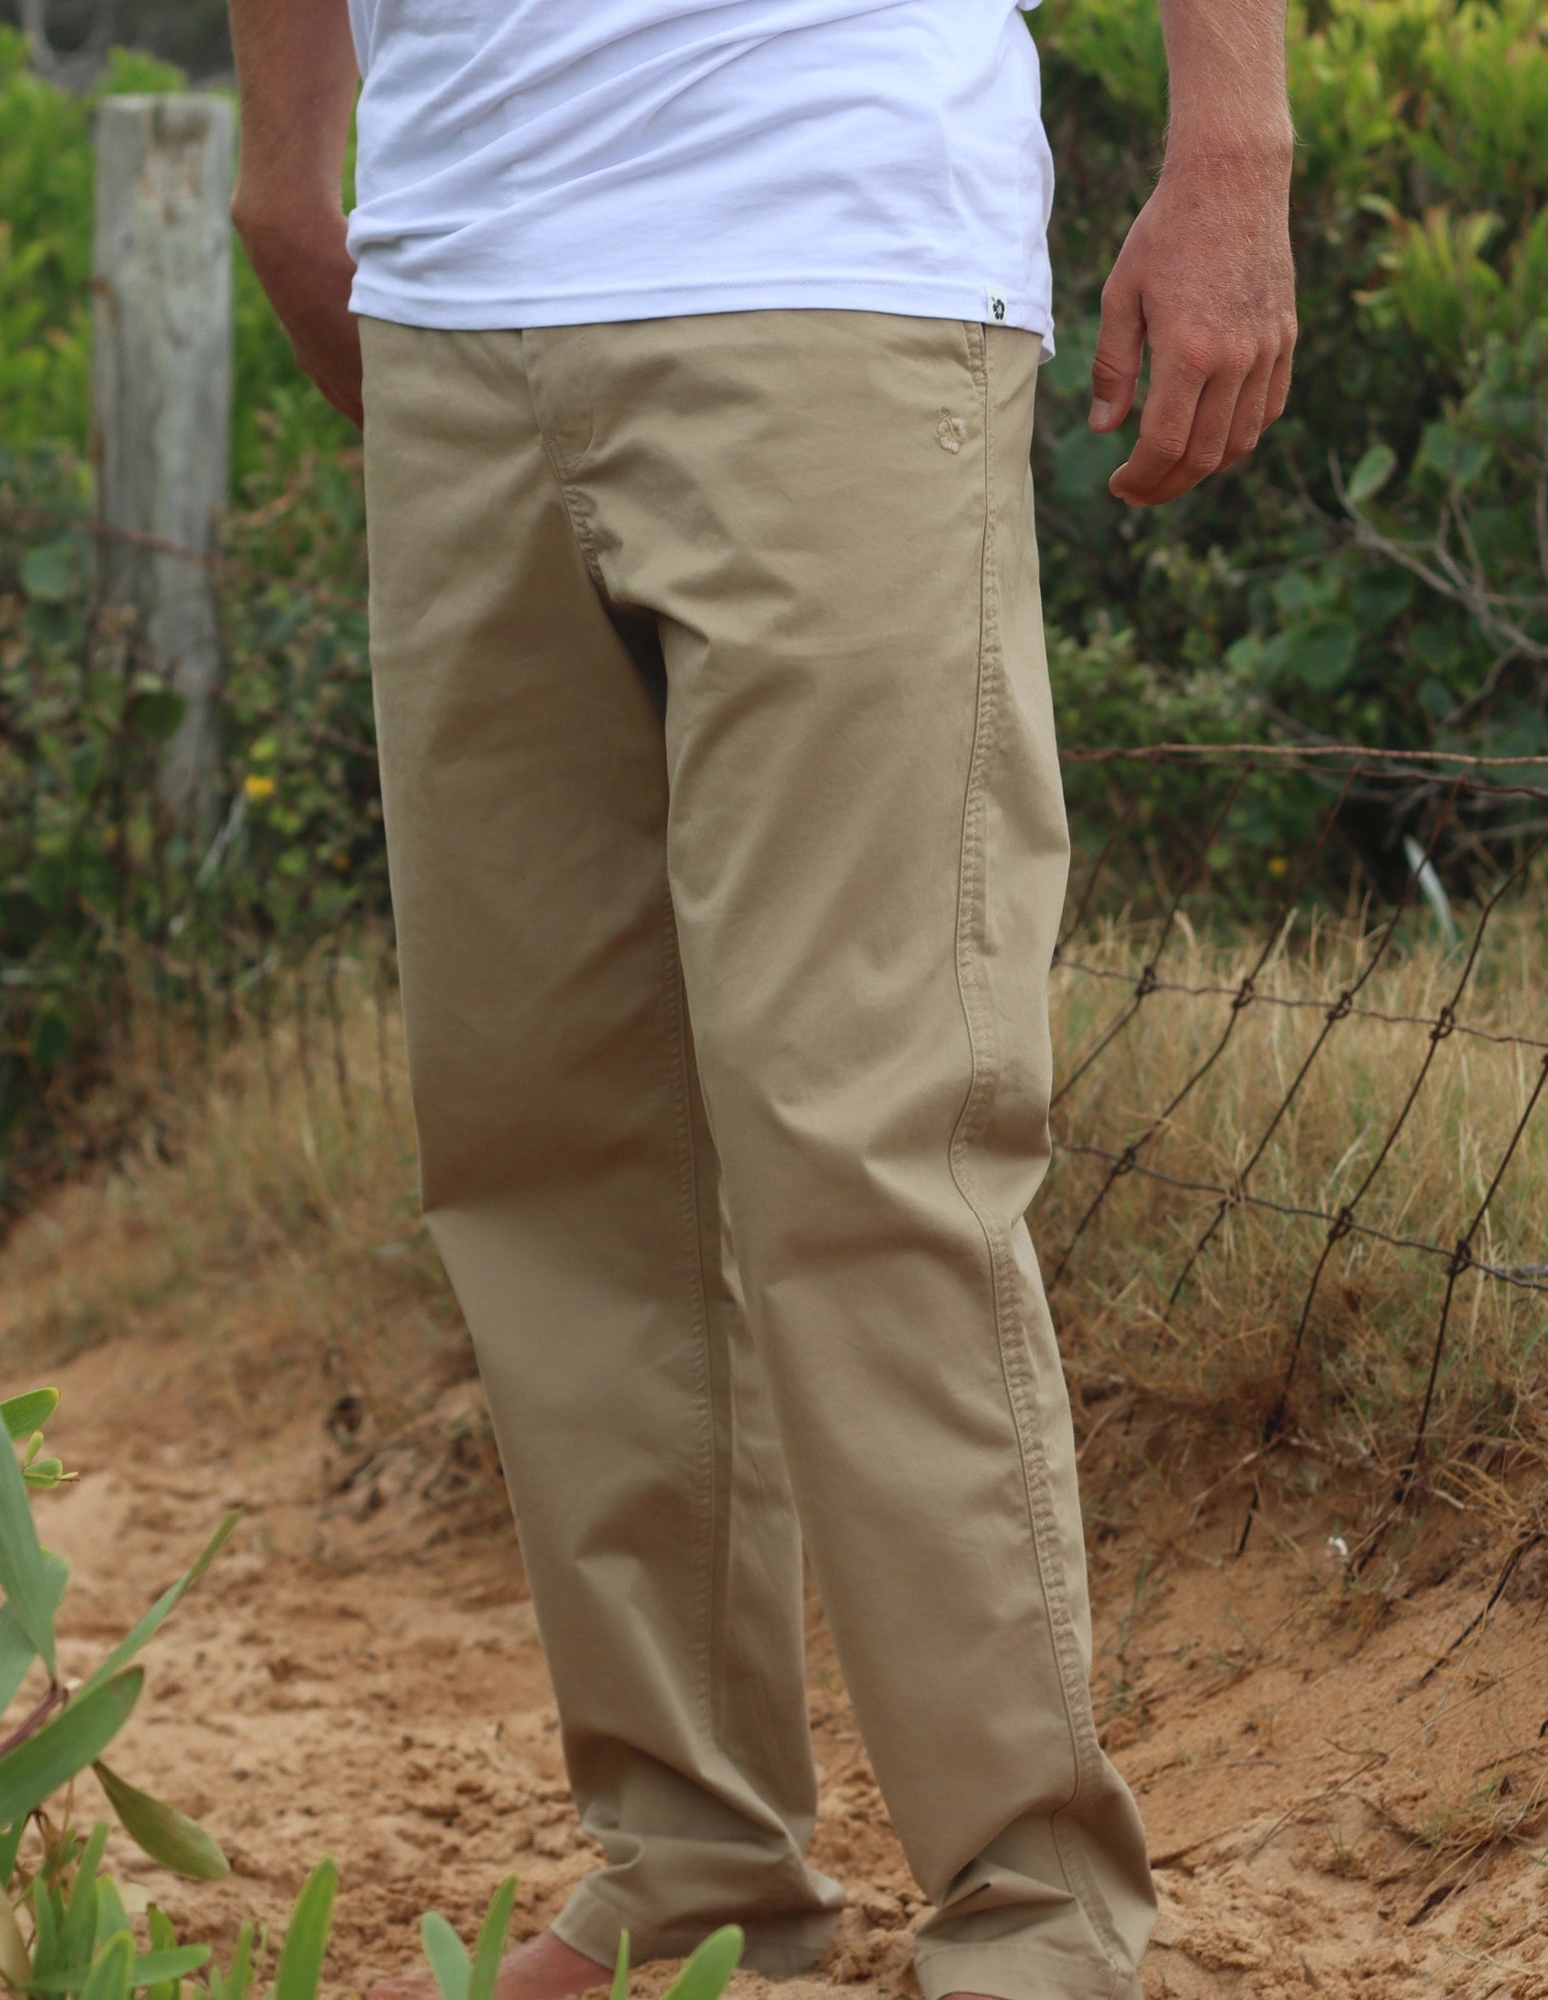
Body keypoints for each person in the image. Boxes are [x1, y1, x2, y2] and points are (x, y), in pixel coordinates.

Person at [227, 5, 1295, 1998]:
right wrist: (288, 160)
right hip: (454, 280)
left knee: (862, 1124)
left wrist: (1231, 144)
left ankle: (1033, 1908)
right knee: (545, 1138)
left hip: (824, 242)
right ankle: (692, 1862)